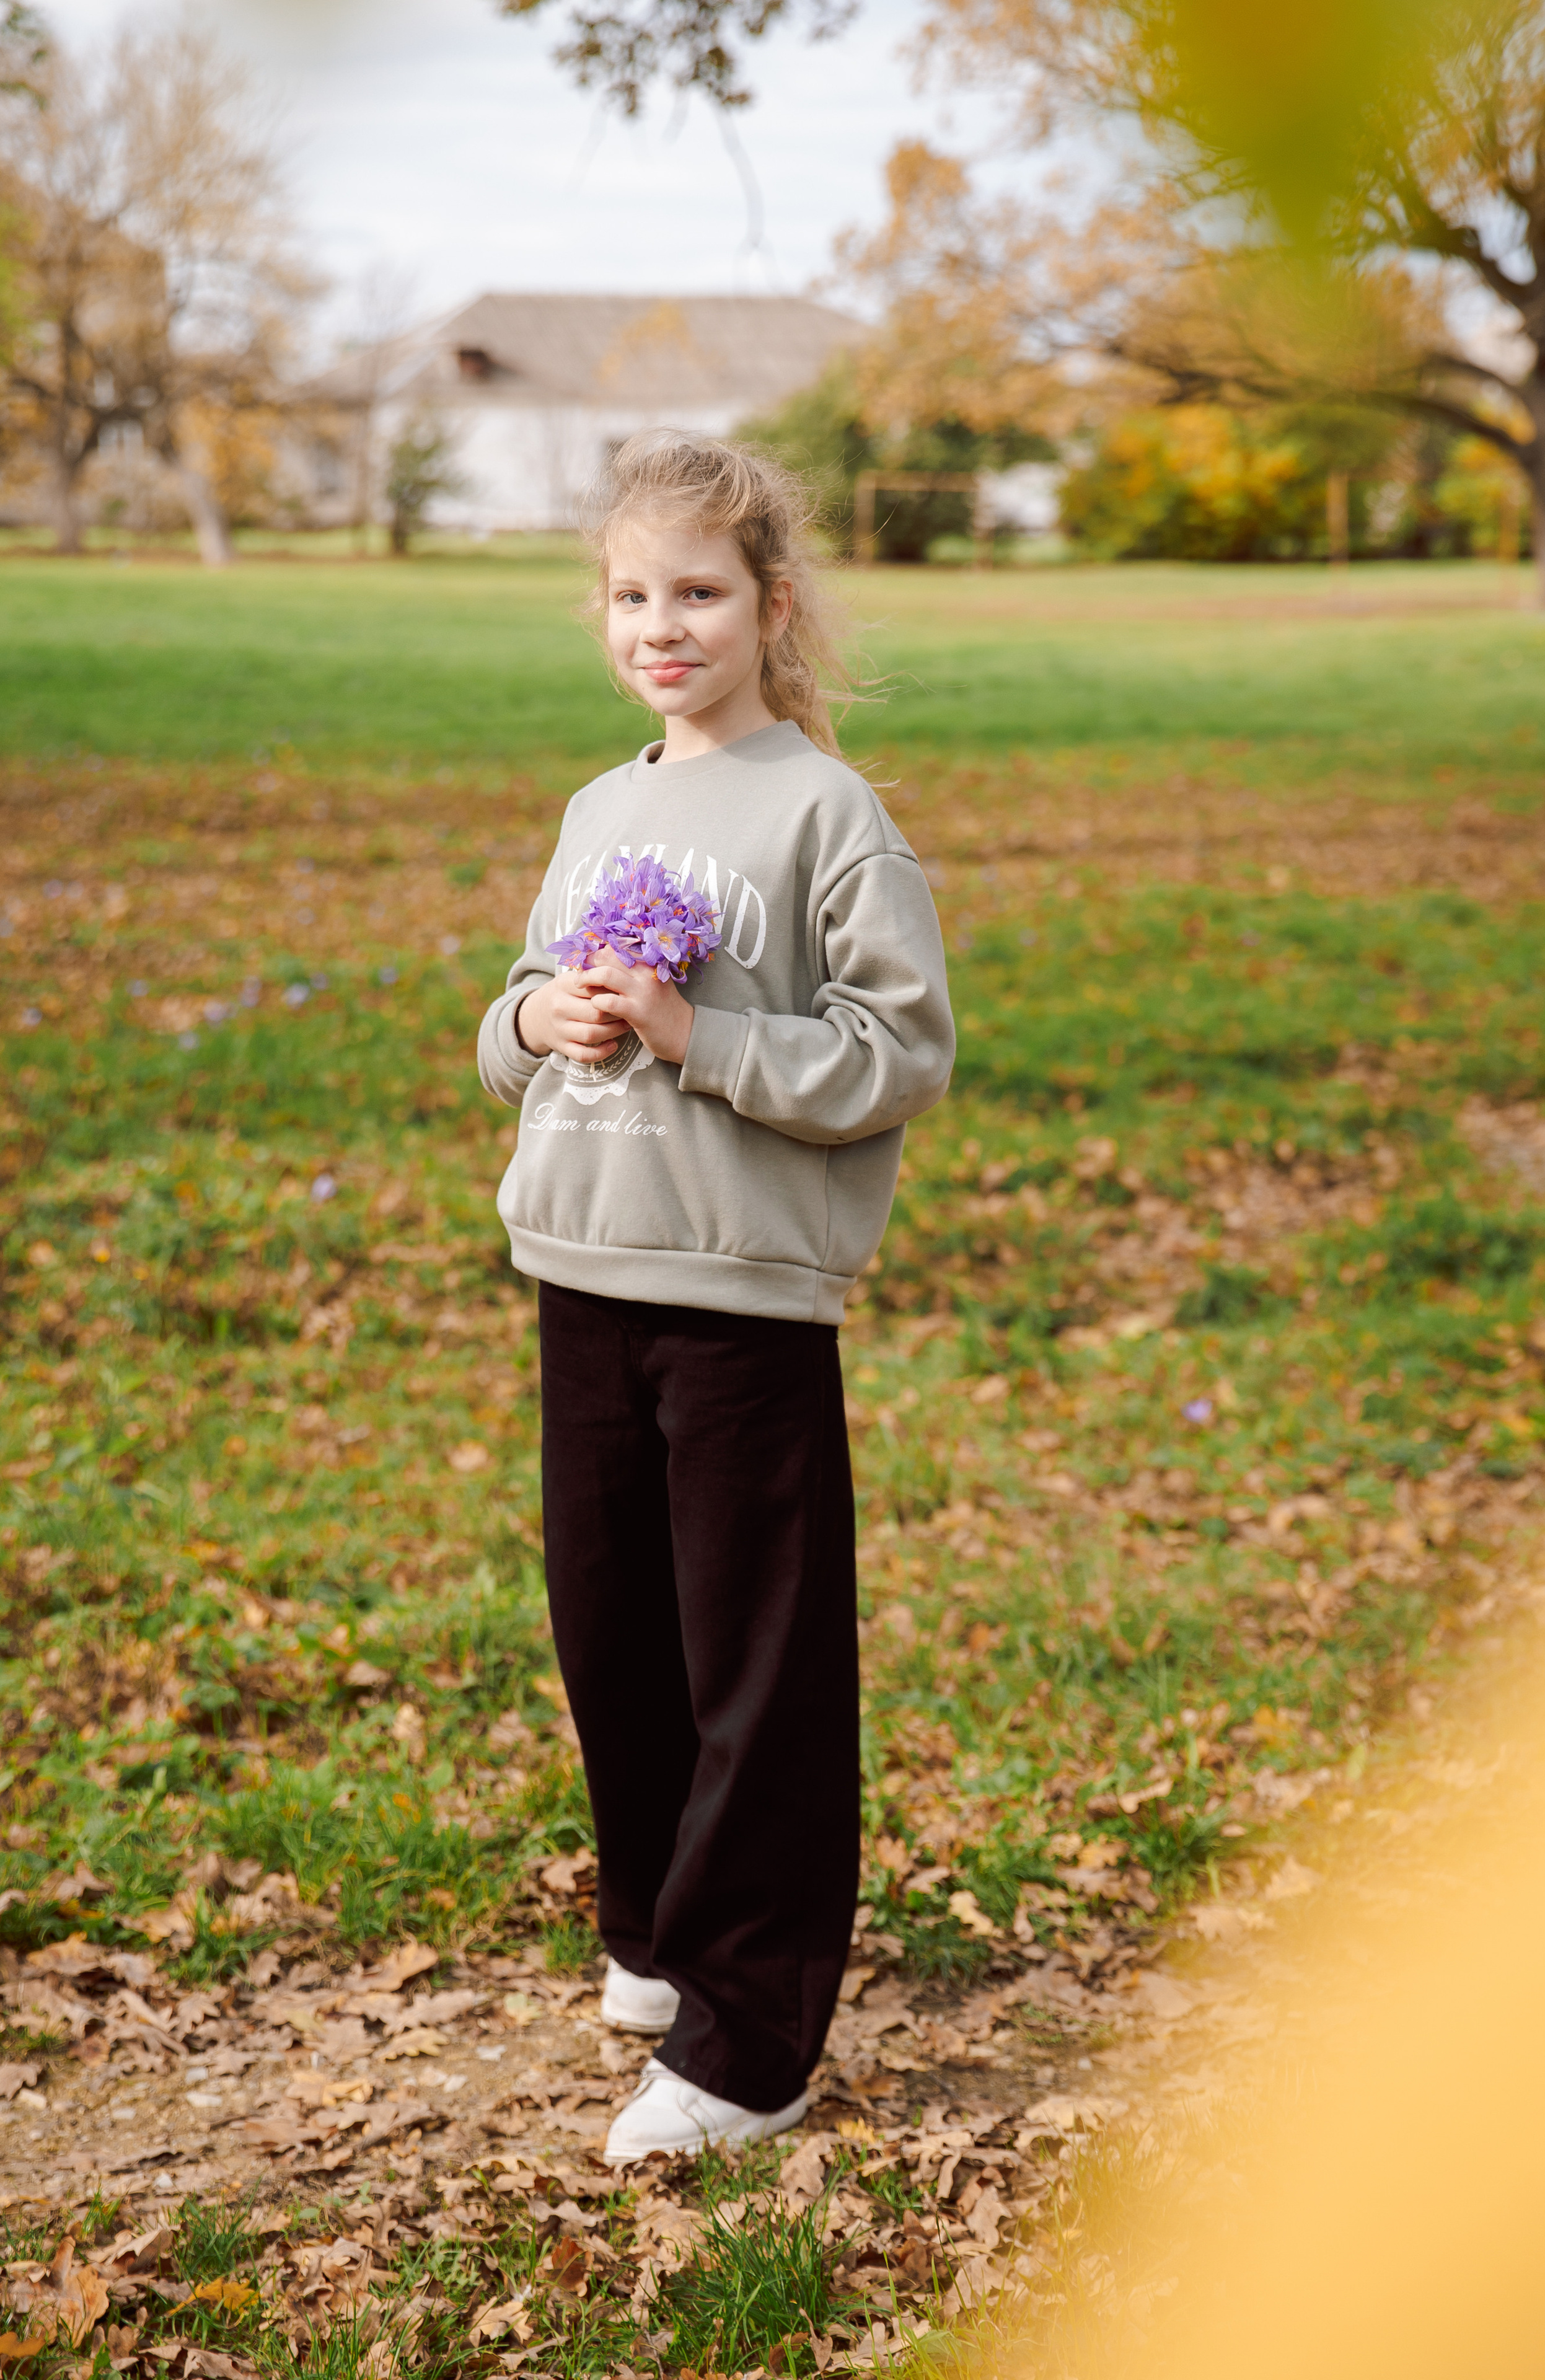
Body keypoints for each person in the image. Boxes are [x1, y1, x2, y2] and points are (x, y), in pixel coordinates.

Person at [476, 430, 955, 2163]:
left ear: (768, 606)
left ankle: (753, 2045)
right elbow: (506, 1017)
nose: (659, 625)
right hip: (579, 1262)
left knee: (755, 1659)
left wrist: (701, 1037)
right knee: (615, 1635)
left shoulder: (824, 809)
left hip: (743, 1293)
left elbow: (903, 1050)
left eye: (697, 593)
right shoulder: (601, 809)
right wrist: (541, 1024)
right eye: (629, 594)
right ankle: (664, 1939)